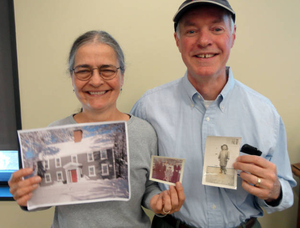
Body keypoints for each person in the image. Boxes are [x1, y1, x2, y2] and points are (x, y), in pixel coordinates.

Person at [131, 0, 296, 228]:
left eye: (217, 29)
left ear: (233, 35)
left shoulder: (264, 112)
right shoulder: (149, 108)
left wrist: (275, 190)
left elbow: (286, 193)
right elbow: (140, 181)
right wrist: (153, 199)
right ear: (178, 41)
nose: (204, 41)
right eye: (191, 31)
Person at [8, 30, 185, 228]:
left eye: (106, 70)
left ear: (122, 75)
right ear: (72, 77)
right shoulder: (54, 135)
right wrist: (25, 197)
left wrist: (156, 201)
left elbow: (149, 187)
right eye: (83, 71)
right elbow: (43, 197)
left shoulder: (145, 132)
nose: (95, 81)